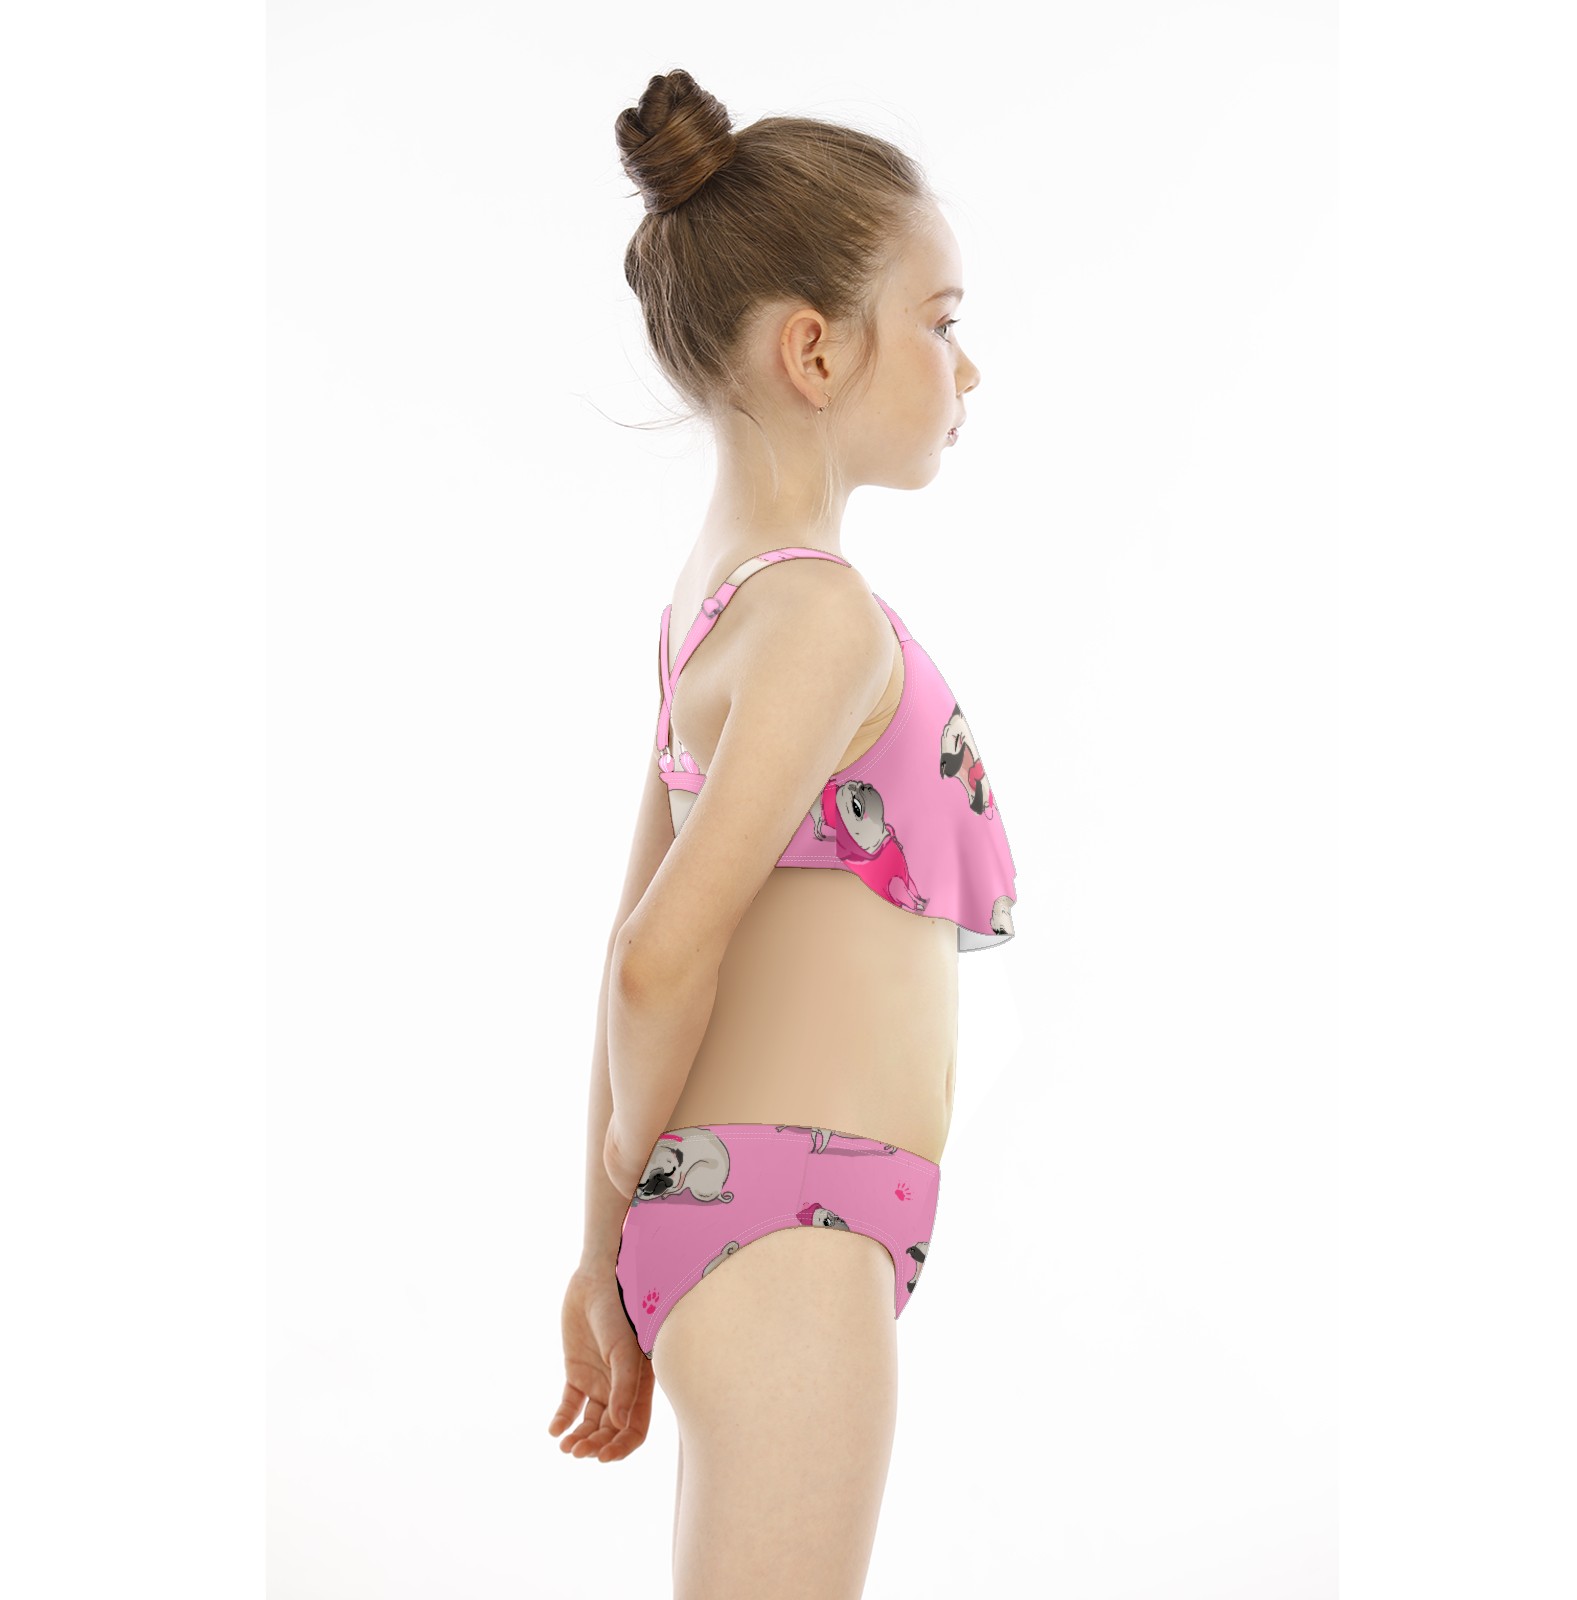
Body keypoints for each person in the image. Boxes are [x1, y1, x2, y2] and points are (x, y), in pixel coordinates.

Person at [548, 67, 1020, 1599]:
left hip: (748, 1217)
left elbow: (629, 939)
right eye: (940, 321)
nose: (967, 366)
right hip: (789, 1228)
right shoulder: (816, 617)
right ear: (815, 349)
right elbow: (652, 957)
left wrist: (611, 1243)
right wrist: (639, 1169)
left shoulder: (712, 606)